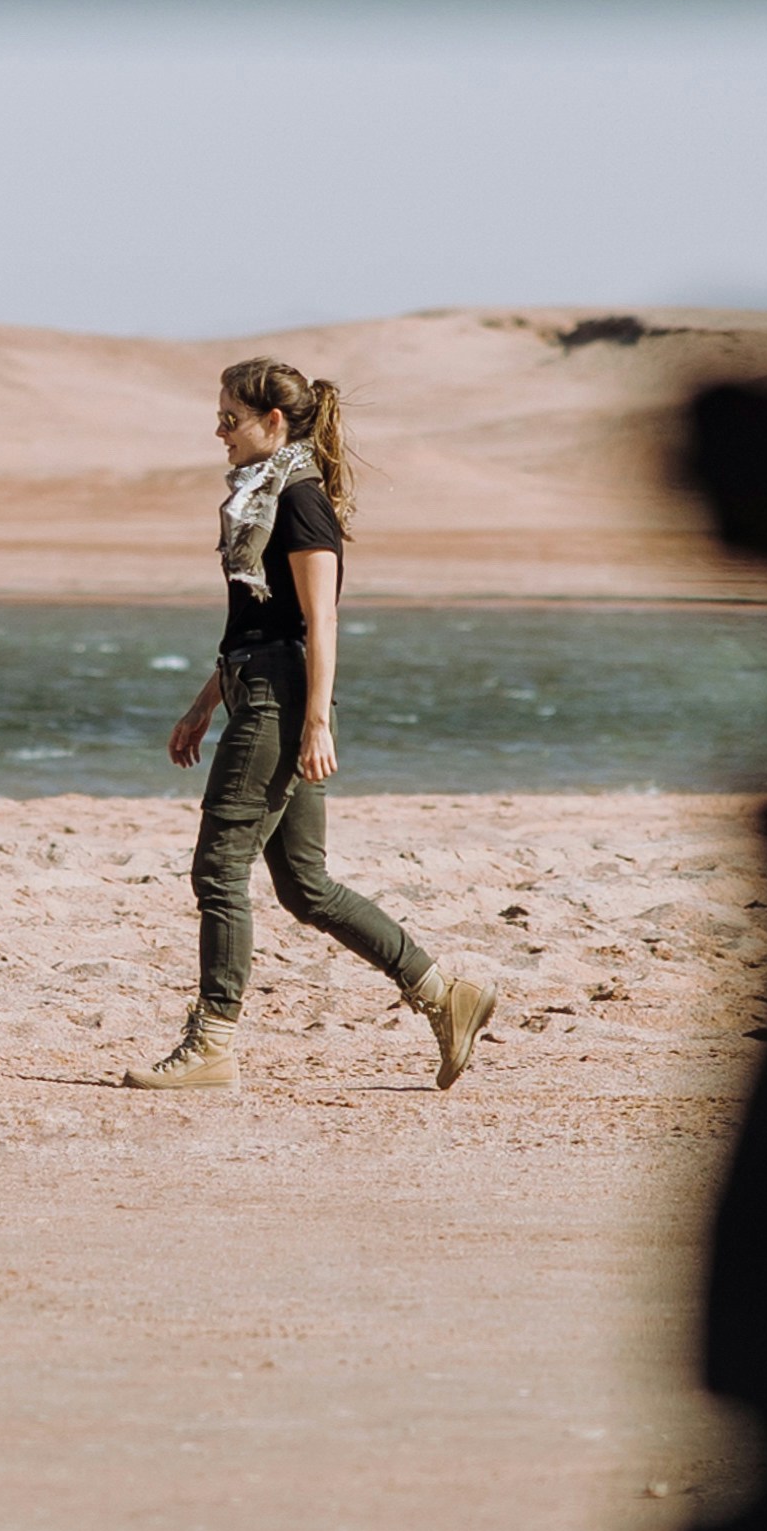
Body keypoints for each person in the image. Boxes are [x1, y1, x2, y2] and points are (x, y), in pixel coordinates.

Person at [124, 357, 501, 1093]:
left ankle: (212, 1044)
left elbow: (318, 623)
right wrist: (205, 702)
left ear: (273, 422)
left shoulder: (299, 501)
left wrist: (316, 723)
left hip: (282, 699)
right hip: (255, 686)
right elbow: (262, 623)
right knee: (304, 885)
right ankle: (444, 993)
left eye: (230, 418)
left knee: (219, 867)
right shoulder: (261, 497)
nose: (219, 431)